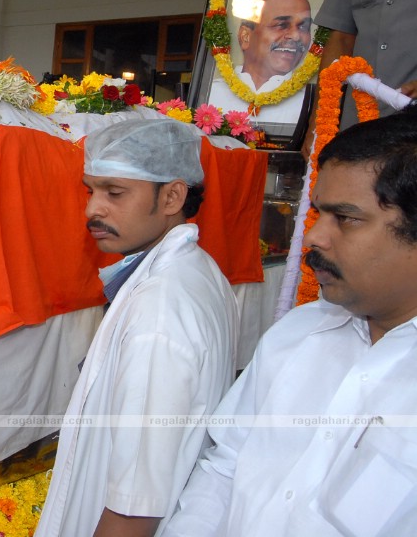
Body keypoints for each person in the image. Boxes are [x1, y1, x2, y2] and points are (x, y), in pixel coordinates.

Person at [162, 109, 417, 537]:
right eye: (319, 214)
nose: (315, 237)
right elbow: (224, 469)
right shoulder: (296, 335)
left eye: (346, 218)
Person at [35, 118, 239, 537]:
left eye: (115, 192)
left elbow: (133, 510)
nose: (93, 208)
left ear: (172, 196)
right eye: (90, 190)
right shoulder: (197, 269)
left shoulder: (158, 313)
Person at [208, 0, 313, 127]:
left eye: (303, 27)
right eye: (282, 25)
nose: (295, 36)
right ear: (246, 36)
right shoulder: (210, 94)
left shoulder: (314, 103)